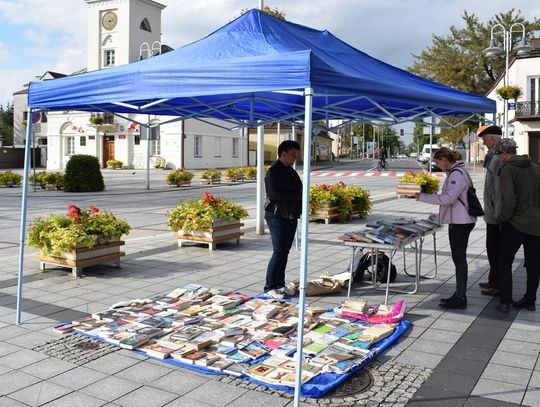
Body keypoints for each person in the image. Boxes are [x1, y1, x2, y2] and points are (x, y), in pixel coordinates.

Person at [414, 148, 476, 309]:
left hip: (461, 222)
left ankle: (460, 297)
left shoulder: (456, 174)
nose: (436, 164)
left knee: (459, 258)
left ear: (444, 159)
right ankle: (459, 295)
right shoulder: (456, 171)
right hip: (459, 220)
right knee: (458, 258)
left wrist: (422, 197)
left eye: (437, 161)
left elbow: (448, 198)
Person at [494, 139, 540, 313]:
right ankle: (530, 300)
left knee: (505, 261)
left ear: (505, 153)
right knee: (534, 264)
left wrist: (503, 218)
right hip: (537, 224)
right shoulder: (535, 168)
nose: (499, 157)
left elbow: (509, 199)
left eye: (499, 154)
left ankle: (505, 301)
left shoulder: (508, 169)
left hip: (516, 223)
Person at [263, 140, 302, 299]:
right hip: (277, 216)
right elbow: (275, 195)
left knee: (284, 252)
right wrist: (297, 196)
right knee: (279, 251)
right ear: (283, 153)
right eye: (293, 154)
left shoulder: (290, 171)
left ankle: (280, 284)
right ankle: (270, 286)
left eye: (296, 155)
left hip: (291, 215)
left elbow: (299, 188)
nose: (295, 158)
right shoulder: (274, 171)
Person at [477, 125, 503, 296]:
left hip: (496, 215)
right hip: (491, 213)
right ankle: (493, 280)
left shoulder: (498, 158)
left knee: (496, 251)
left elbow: (499, 189)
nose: (484, 144)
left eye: (485, 140)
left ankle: (498, 285)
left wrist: (498, 213)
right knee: (492, 249)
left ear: (494, 139)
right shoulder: (493, 156)